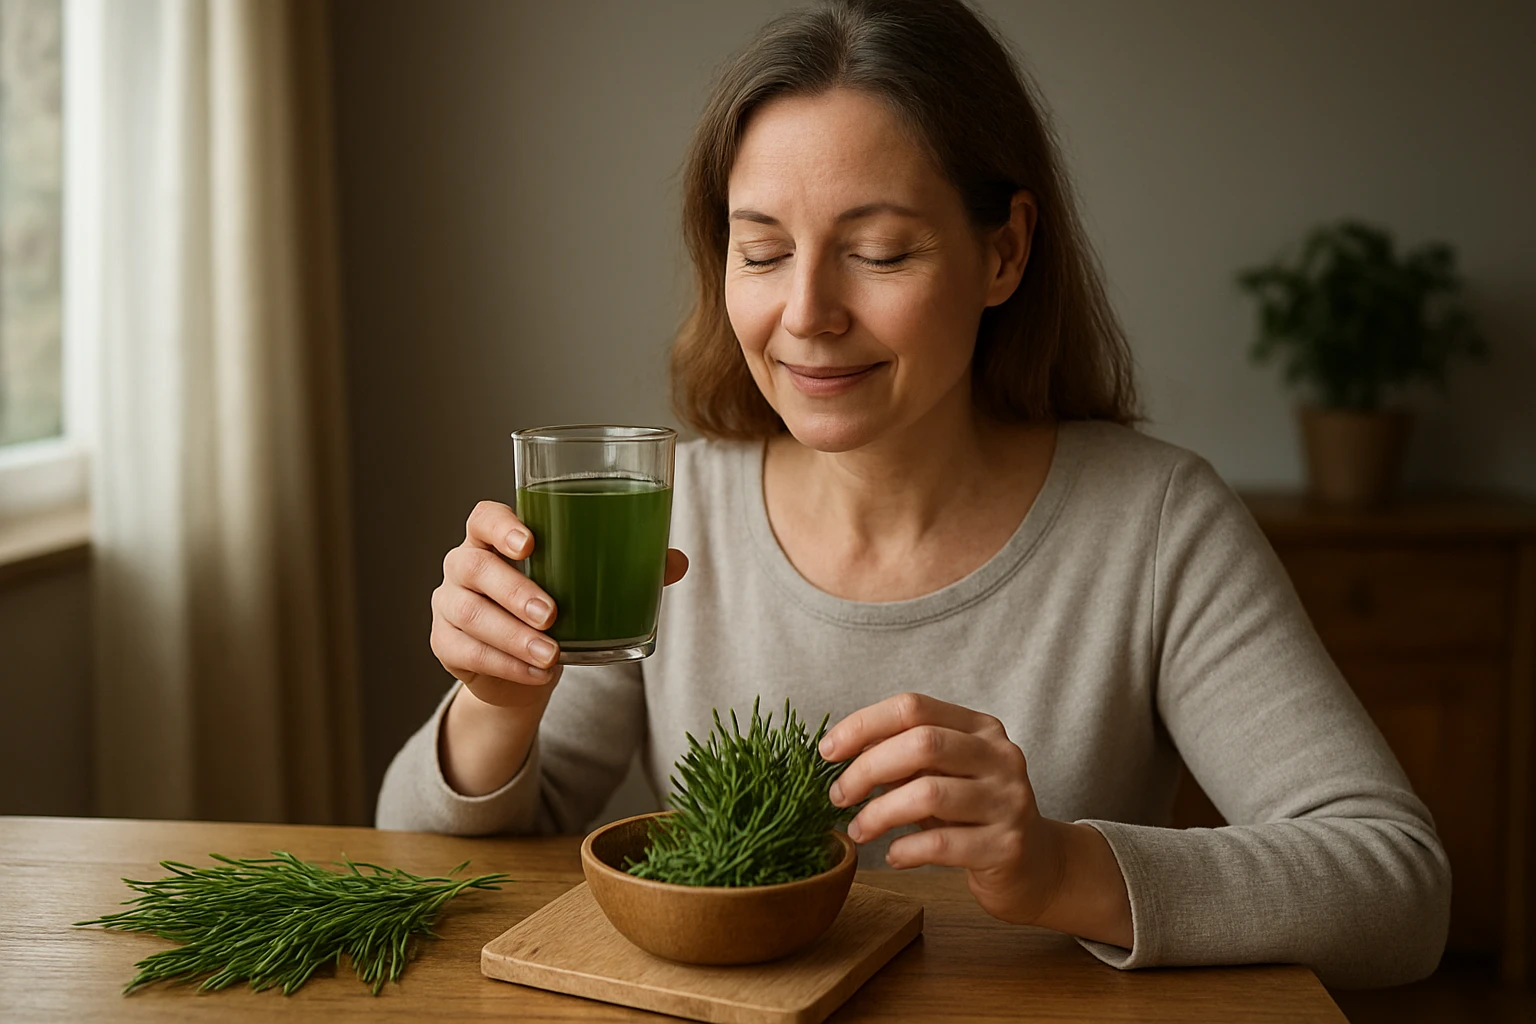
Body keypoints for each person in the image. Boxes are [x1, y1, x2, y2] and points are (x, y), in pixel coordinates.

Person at [377, 0, 1448, 987]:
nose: (807, 312)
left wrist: (1059, 866)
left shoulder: (1156, 523)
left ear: (1005, 252)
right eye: (762, 252)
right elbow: (417, 859)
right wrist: (496, 702)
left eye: (880, 252)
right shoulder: (672, 514)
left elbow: (1398, 888)